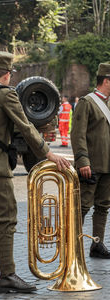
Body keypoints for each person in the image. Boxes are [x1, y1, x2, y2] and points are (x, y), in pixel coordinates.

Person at [0, 51, 70, 294]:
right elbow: (26, 128)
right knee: (6, 219)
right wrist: (48, 153)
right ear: (7, 74)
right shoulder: (6, 95)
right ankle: (7, 276)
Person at [71, 62, 110, 259]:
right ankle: (74, 245)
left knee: (103, 206)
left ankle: (97, 244)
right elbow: (77, 134)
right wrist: (82, 161)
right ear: (106, 80)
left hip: (107, 165)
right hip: (91, 165)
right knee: (83, 206)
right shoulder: (87, 102)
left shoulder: (109, 104)